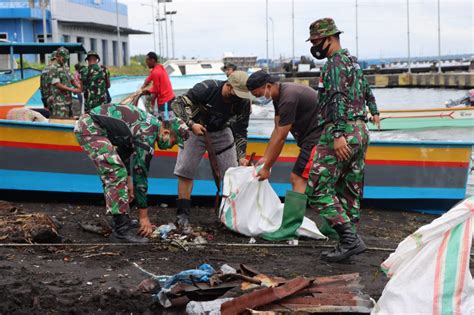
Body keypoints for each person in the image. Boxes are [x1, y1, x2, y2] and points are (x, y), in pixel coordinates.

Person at [305, 18, 381, 262]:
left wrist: (337, 134)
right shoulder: (353, 62)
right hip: (360, 130)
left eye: (317, 41)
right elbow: (366, 89)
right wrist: (374, 109)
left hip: (341, 131)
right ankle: (347, 245)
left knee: (317, 188)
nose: (315, 46)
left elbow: (337, 97)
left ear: (330, 38)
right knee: (349, 189)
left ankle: (349, 239)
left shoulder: (334, 64)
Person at [74, 103, 189, 243]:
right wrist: (144, 216)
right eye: (173, 142)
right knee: (115, 173)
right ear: (165, 133)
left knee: (117, 172)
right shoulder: (147, 134)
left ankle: (119, 219)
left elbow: (124, 151)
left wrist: (128, 181)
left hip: (94, 126)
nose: (171, 146)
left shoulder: (150, 125)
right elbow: (141, 174)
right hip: (91, 128)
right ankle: (121, 231)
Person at [171, 71, 253, 227]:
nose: (238, 97)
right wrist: (191, 124)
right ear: (228, 86)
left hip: (222, 131)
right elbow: (178, 103)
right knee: (185, 170)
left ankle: (230, 215)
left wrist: (242, 155)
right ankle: (182, 214)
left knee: (232, 173)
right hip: (195, 128)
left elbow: (241, 130)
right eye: (236, 93)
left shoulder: (243, 103)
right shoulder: (207, 88)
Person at [246, 70, 321, 193]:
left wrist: (267, 168)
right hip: (310, 139)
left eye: (258, 95)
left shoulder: (288, 98)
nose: (259, 99)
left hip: (317, 139)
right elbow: (276, 129)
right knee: (306, 179)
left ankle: (294, 213)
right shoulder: (278, 96)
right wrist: (265, 158)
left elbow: (281, 137)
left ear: (268, 86)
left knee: (297, 178)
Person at [48, 47, 80, 118]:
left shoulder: (66, 67)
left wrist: (79, 87)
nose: (64, 60)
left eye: (66, 58)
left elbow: (72, 80)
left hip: (69, 102)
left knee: (70, 121)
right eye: (63, 58)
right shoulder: (53, 68)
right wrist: (72, 89)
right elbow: (57, 84)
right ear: (58, 56)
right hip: (59, 103)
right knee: (60, 122)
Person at [140, 52, 175, 119]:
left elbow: (156, 90)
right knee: (167, 120)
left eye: (147, 60)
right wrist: (144, 85)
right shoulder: (159, 67)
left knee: (167, 122)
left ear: (153, 60)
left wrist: (147, 90)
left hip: (165, 101)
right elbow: (149, 78)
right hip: (170, 98)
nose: (146, 63)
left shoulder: (156, 72)